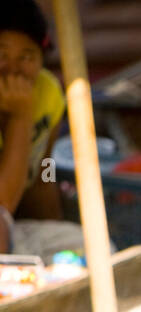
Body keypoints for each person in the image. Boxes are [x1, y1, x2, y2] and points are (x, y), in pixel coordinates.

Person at [0, 1, 82, 261]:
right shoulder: (25, 106)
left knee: (84, 247)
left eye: (27, 56)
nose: (13, 69)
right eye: (1, 55)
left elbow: (41, 177)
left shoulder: (47, 93)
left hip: (14, 232)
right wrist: (20, 116)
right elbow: (2, 205)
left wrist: (55, 228)